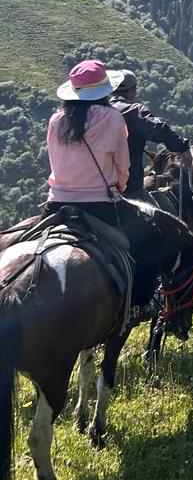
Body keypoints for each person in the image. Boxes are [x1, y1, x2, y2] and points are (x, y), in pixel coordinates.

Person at [44, 60, 170, 306]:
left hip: (56, 203)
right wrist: (119, 189)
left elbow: (54, 163)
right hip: (101, 205)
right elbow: (123, 168)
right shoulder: (113, 118)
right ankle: (139, 303)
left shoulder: (56, 120)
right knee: (152, 239)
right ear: (105, 91)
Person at [109, 68, 192, 198]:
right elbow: (159, 129)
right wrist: (182, 147)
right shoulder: (134, 111)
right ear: (133, 90)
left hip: (93, 187)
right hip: (129, 187)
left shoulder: (96, 112)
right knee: (163, 215)